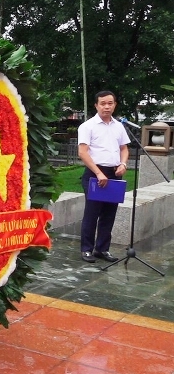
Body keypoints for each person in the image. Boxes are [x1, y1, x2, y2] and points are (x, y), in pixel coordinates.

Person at [78, 90, 129, 263]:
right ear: (96, 105)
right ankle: (86, 249)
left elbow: (124, 148)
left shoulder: (119, 126)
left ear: (114, 105)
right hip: (95, 173)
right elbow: (83, 152)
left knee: (109, 213)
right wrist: (98, 173)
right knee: (92, 213)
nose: (106, 107)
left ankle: (102, 249)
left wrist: (123, 164)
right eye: (103, 103)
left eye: (110, 103)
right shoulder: (88, 126)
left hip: (114, 173)